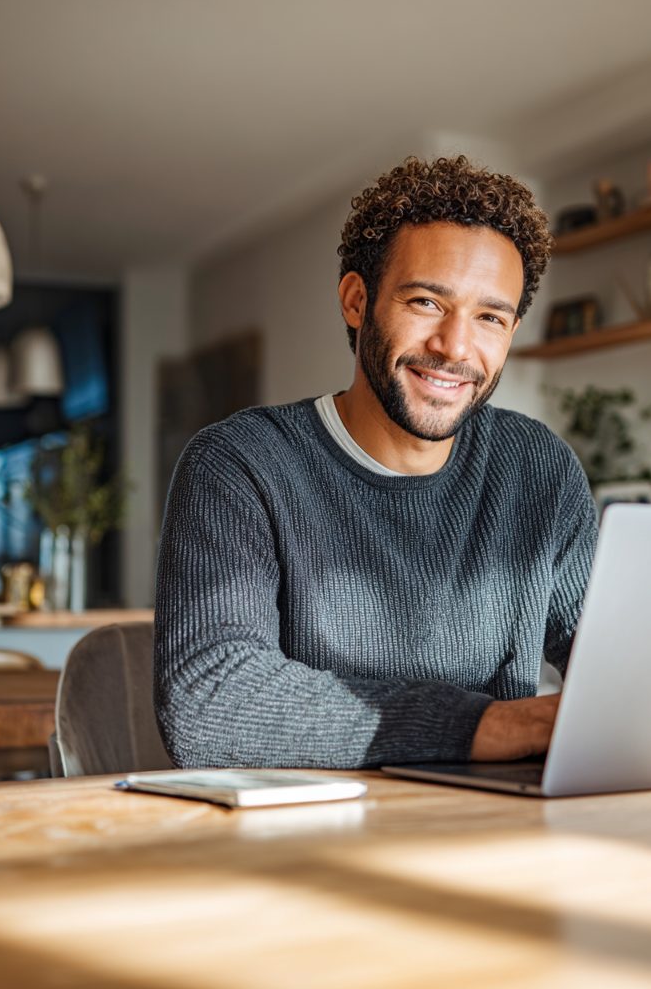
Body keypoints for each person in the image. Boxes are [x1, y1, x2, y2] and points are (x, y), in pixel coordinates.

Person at [154, 156, 597, 768]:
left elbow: (618, 671)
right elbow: (210, 704)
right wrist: (484, 725)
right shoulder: (240, 465)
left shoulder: (538, 468)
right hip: (299, 841)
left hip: (500, 833)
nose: (455, 347)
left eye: (490, 318)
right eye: (425, 302)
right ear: (357, 301)